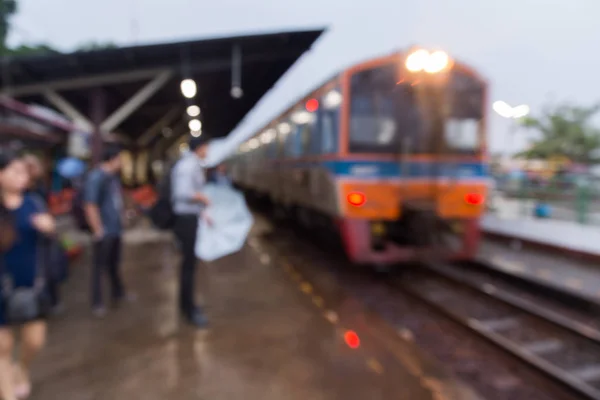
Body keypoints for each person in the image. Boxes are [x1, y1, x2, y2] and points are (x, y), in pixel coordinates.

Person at [0, 150, 56, 400]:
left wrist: (48, 228)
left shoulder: (33, 202)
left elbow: (51, 233)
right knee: (2, 347)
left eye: (23, 172)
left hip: (31, 282)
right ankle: (8, 392)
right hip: (2, 283)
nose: (22, 177)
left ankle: (21, 367)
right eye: (15, 171)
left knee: (35, 341)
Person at [84, 145, 133, 317]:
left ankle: (118, 292)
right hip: (104, 229)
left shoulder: (113, 178)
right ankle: (97, 302)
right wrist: (97, 228)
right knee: (99, 266)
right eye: (120, 159)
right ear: (112, 159)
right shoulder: (96, 177)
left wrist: (123, 217)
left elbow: (116, 200)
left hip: (115, 228)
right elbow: (90, 205)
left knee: (114, 263)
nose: (122, 163)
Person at [171, 136, 211, 327]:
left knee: (189, 265)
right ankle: (188, 310)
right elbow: (183, 193)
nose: (208, 152)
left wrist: (203, 213)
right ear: (200, 148)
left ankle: (187, 305)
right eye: (206, 148)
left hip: (189, 218)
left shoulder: (190, 164)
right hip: (185, 221)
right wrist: (202, 198)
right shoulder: (189, 166)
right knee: (188, 266)